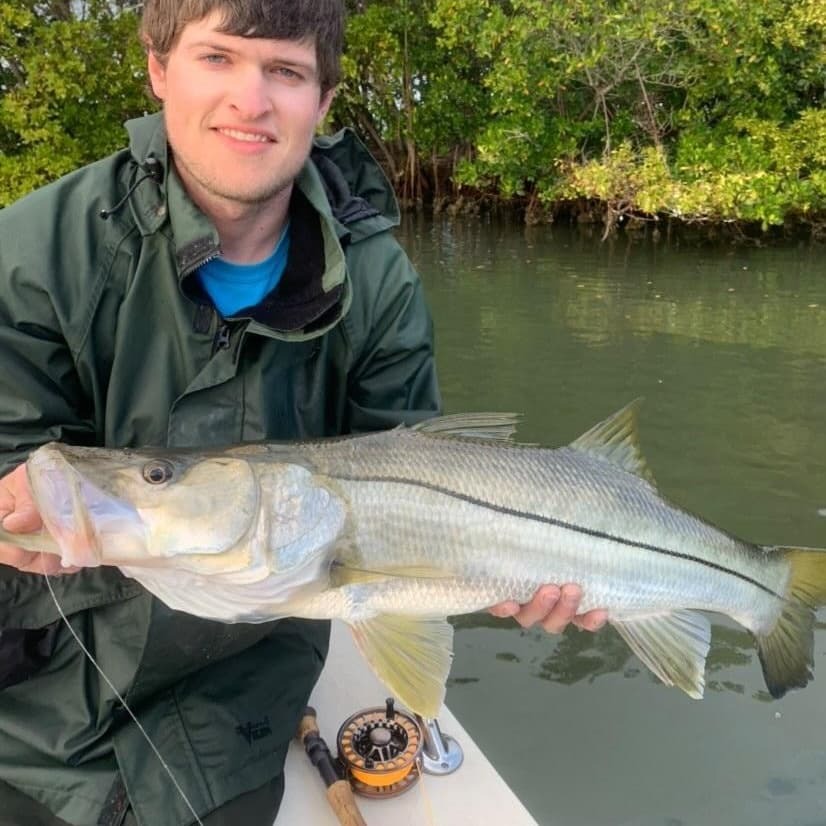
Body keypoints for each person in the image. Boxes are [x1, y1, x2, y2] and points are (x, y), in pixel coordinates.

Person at [0, 1, 606, 823]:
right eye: (217, 58)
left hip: (235, 706)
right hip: (29, 688)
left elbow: (413, 464)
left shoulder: (380, 281)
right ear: (157, 69)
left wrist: (506, 568)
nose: (251, 100)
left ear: (322, 103)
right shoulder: (35, 249)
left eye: (285, 71)